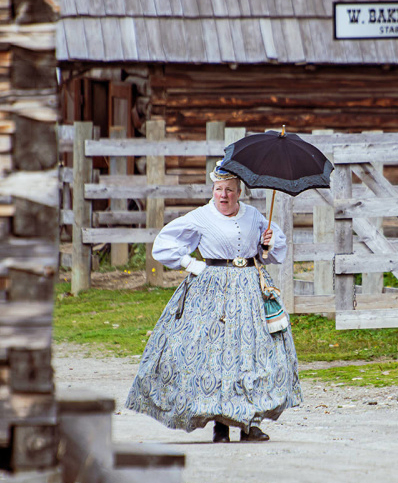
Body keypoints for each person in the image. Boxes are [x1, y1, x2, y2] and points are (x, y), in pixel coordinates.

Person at [126, 167, 302, 442]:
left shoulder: (254, 216)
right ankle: (221, 425)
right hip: (212, 290)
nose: (224, 195)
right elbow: (162, 244)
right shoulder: (201, 217)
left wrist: (266, 244)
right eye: (219, 189)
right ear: (212, 191)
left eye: (229, 189)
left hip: (250, 290)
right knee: (214, 356)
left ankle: (249, 423)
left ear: (239, 192)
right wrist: (191, 264)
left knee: (252, 355)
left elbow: (269, 255)